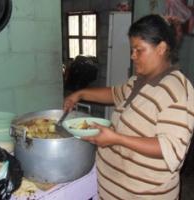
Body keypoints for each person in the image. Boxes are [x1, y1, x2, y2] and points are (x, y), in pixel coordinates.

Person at [63, 14, 194, 200]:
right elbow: (115, 94)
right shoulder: (138, 81)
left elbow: (170, 149)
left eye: (139, 50)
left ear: (161, 48)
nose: (133, 56)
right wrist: (80, 94)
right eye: (132, 50)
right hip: (114, 190)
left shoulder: (177, 91)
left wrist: (116, 139)